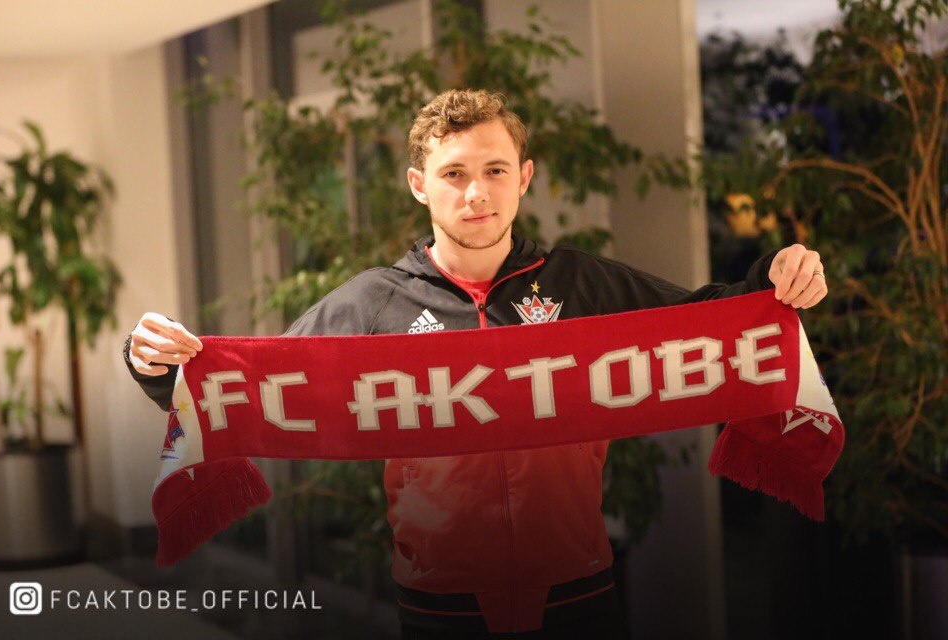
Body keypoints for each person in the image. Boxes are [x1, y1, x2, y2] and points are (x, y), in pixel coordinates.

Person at [124, 89, 827, 638]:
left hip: (578, 589)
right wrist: (156, 364)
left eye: (495, 170)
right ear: (418, 184)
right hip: (439, 604)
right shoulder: (372, 302)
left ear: (524, 177)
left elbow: (709, 320)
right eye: (453, 174)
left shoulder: (583, 283)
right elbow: (256, 388)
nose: (477, 192)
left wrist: (777, 277)